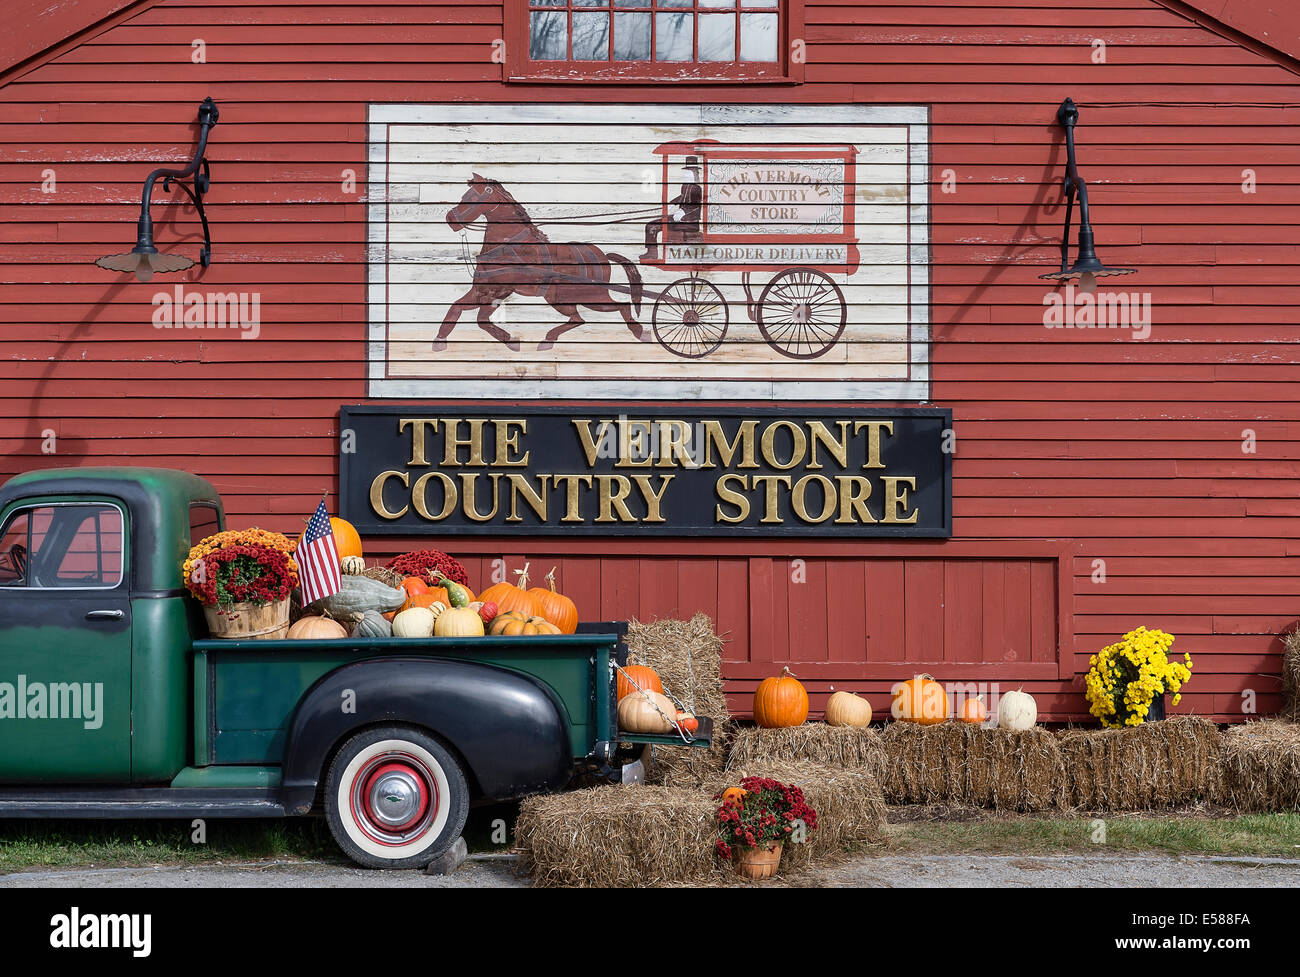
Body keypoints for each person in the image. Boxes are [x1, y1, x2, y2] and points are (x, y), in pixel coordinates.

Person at [642, 157, 702, 262]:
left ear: (694, 173)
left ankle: (652, 254)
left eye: (690, 171)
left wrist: (683, 212)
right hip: (680, 218)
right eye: (687, 171)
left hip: (689, 221)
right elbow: (682, 197)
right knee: (651, 224)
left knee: (652, 226)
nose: (686, 174)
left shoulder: (697, 188)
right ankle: (651, 252)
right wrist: (670, 204)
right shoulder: (685, 186)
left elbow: (695, 205)